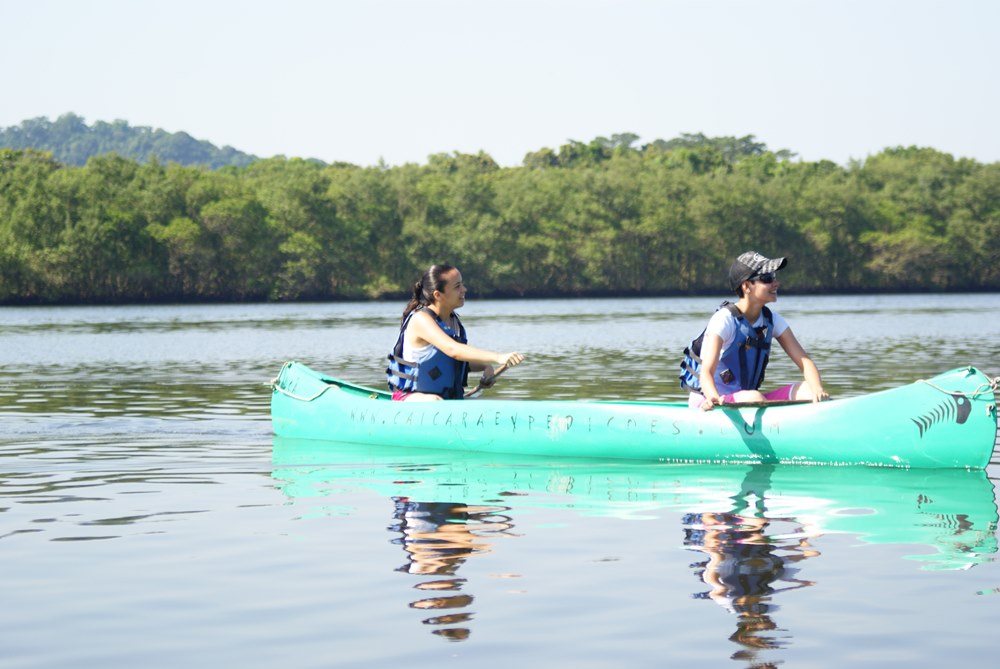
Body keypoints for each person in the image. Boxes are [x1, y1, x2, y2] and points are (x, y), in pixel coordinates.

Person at [680, 251, 829, 411]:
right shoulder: (724, 320)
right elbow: (706, 372)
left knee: (808, 389)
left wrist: (818, 390)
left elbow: (805, 362)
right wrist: (712, 398)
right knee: (754, 397)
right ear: (746, 286)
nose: (775, 283)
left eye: (774, 276)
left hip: (748, 399)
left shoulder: (772, 320)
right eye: (767, 278)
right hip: (710, 401)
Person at [386, 264, 525, 401]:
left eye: (462, 284)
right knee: (435, 401)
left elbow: (455, 361)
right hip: (409, 397)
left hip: (448, 401)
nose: (464, 289)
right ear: (438, 295)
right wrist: (498, 357)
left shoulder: (454, 323)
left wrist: (486, 366)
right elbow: (453, 350)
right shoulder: (421, 320)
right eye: (457, 286)